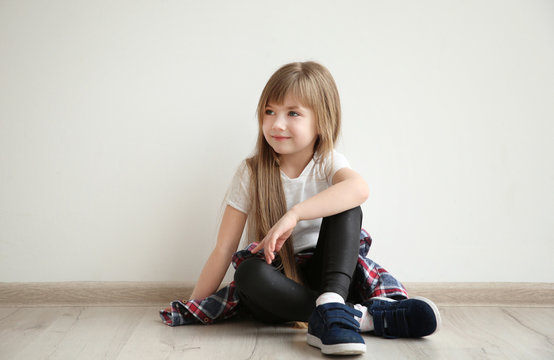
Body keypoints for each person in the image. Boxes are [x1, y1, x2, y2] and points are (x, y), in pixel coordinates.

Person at [160, 61, 441, 355]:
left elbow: (359, 189)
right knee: (247, 274)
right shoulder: (252, 171)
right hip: (278, 286)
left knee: (348, 206)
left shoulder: (327, 163)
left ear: (321, 121)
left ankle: (332, 306)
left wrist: (294, 214)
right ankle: (359, 318)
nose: (277, 124)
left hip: (330, 276)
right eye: (270, 112)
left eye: (292, 113)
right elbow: (222, 249)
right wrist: (195, 307)